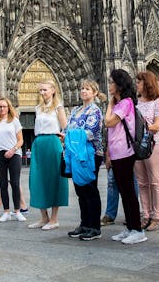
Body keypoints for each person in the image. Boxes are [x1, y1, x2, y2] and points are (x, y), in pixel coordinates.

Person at [105, 69, 148, 245]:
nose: (109, 85)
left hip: (125, 152)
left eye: (111, 82)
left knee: (128, 191)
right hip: (116, 152)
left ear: (119, 84)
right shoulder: (120, 104)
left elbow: (109, 122)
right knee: (123, 190)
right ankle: (130, 227)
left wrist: (109, 104)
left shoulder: (126, 103)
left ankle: (137, 230)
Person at [65, 79, 105, 240]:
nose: (83, 91)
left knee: (90, 190)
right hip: (75, 154)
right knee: (80, 191)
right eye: (82, 88)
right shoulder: (75, 110)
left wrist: (70, 135)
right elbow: (67, 128)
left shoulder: (95, 111)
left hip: (90, 154)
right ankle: (84, 224)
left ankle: (95, 227)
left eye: (87, 89)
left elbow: (90, 133)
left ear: (94, 92)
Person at [28, 79, 68, 230]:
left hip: (52, 143)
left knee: (54, 179)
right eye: (41, 90)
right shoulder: (38, 108)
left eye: (45, 89)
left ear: (53, 90)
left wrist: (63, 142)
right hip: (38, 144)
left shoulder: (58, 107)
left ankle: (54, 219)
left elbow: (65, 128)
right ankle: (43, 217)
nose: (42, 92)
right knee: (37, 180)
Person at [0, 95, 29, 217]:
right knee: (4, 183)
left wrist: (13, 150)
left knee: (15, 182)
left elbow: (20, 140)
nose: (0, 109)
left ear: (8, 107)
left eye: (3, 106)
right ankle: (7, 210)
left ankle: (18, 210)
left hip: (13, 154)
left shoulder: (14, 121)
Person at [134, 71, 159, 232]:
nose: (136, 85)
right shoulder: (136, 103)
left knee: (155, 182)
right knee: (142, 183)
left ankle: (156, 216)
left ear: (146, 83)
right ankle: (146, 215)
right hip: (138, 146)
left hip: (153, 144)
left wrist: (141, 128)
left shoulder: (158, 102)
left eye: (139, 82)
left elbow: (158, 125)